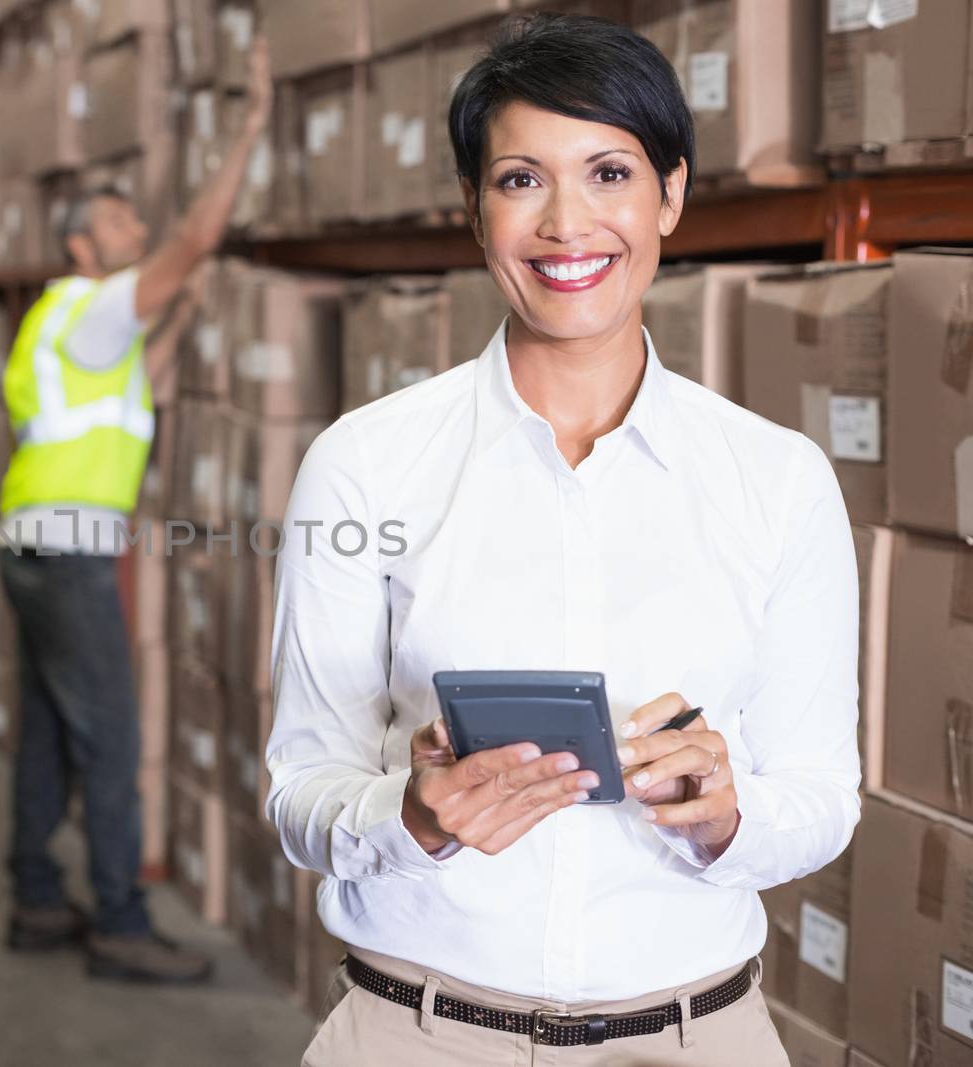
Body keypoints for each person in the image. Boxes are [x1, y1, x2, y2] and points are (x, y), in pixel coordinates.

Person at [267, 15, 857, 1065]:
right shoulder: (365, 465)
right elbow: (300, 791)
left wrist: (727, 813)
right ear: (473, 208)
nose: (567, 224)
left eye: (608, 172)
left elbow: (818, 798)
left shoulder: (775, 480)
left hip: (692, 1035)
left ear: (669, 194)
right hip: (416, 1032)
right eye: (519, 180)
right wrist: (414, 817)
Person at [0, 43, 274, 984]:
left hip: (32, 542)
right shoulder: (92, 306)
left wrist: (187, 312)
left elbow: (142, 384)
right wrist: (247, 127)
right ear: (84, 247)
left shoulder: (66, 324)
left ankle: (36, 896)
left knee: (46, 728)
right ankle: (119, 920)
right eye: (119, 221)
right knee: (110, 736)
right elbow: (190, 241)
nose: (135, 226)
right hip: (67, 552)